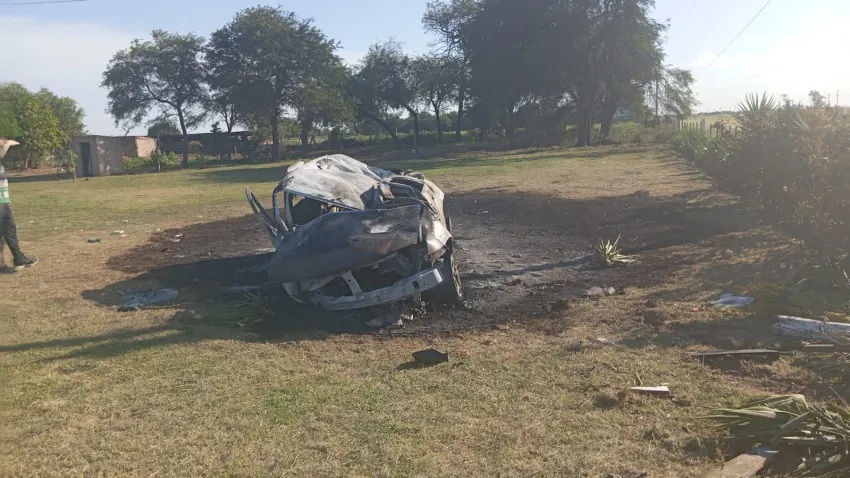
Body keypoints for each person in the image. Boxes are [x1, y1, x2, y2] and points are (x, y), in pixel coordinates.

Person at [0, 138, 38, 273]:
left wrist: (6, 199)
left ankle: (19, 259)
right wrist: (8, 144)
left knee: (10, 231)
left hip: (3, 202)